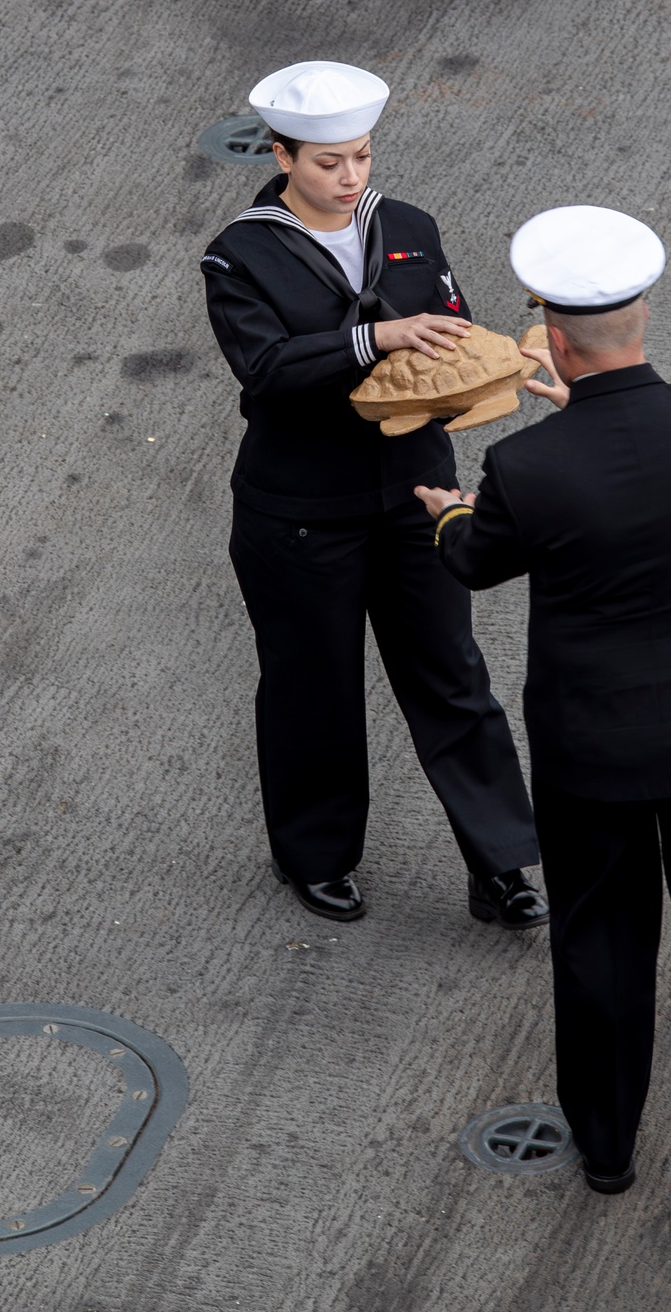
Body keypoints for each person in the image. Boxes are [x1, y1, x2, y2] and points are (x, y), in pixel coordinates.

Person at [415, 205, 671, 1255]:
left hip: (595, 757)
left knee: (599, 948)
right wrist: (588, 418)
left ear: (549, 335)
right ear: (639, 316)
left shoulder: (530, 472)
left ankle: (605, 1149)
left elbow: (476, 558)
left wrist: (447, 509)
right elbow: (669, 476)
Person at [200, 60, 547, 932]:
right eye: (327, 162)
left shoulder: (410, 226)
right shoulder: (237, 255)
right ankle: (314, 858)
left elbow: (452, 323)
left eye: (358, 156)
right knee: (311, 686)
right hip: (300, 512)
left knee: (454, 678)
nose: (349, 176)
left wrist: (497, 365)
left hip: (414, 494)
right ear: (281, 156)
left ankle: (502, 863)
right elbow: (268, 372)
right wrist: (375, 336)